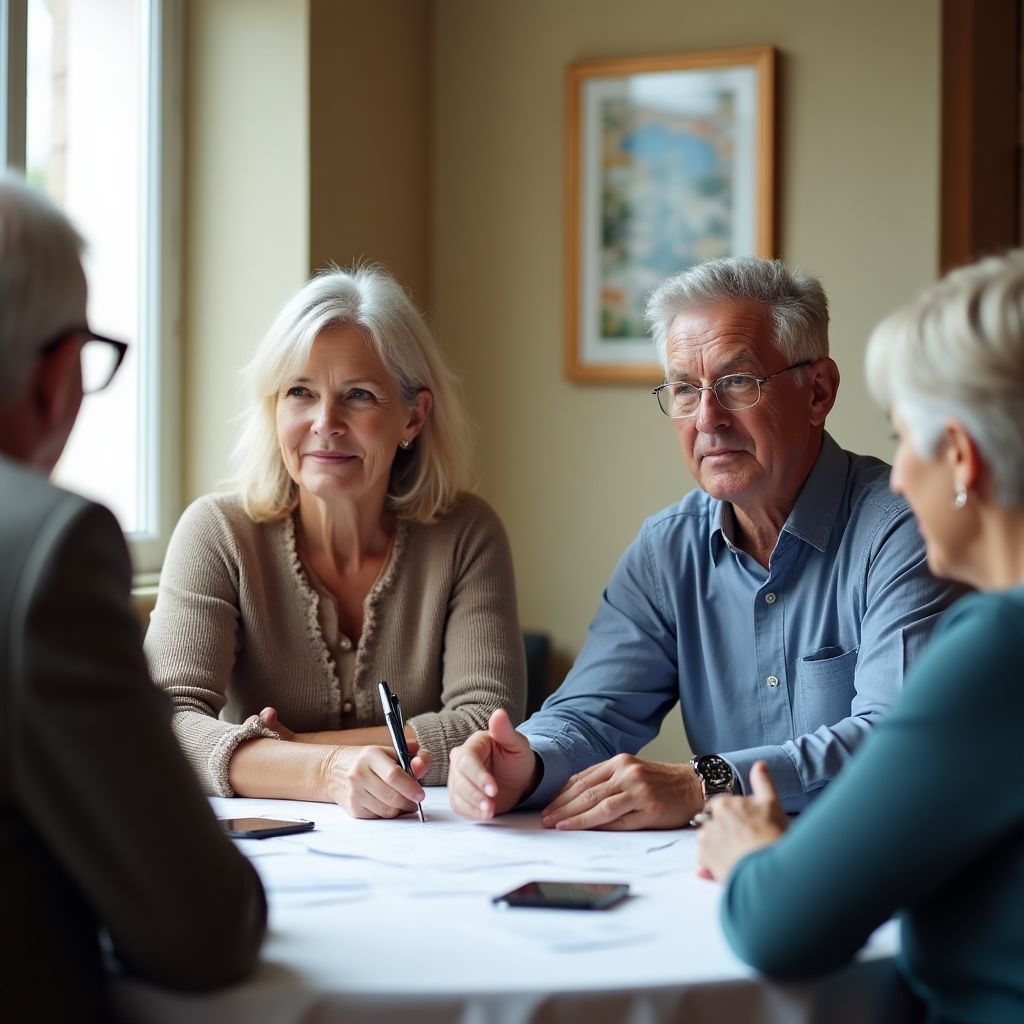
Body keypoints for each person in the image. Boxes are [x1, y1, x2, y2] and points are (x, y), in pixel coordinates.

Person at [449, 256, 963, 829]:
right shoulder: (668, 549)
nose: (708, 418)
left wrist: (707, 781)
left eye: (737, 381)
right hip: (719, 872)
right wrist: (526, 761)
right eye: (685, 390)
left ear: (818, 391)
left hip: (880, 869)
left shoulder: (902, 529)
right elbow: (592, 713)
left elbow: (891, 739)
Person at [696, 251, 1024, 1022]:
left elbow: (777, 926)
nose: (900, 476)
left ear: (962, 461)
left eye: (905, 438)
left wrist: (750, 851)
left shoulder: (1000, 652)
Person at [0, 174, 266, 1021]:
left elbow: (498, 720)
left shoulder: (463, 532)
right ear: (53, 376)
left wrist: (698, 777)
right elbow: (202, 925)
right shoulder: (52, 548)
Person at [145, 265, 525, 819]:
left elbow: (483, 727)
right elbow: (166, 725)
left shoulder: (466, 534)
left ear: (413, 417)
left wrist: (289, 750)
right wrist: (325, 772)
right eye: (299, 392)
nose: (326, 422)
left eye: (359, 395)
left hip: (429, 851)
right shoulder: (218, 533)